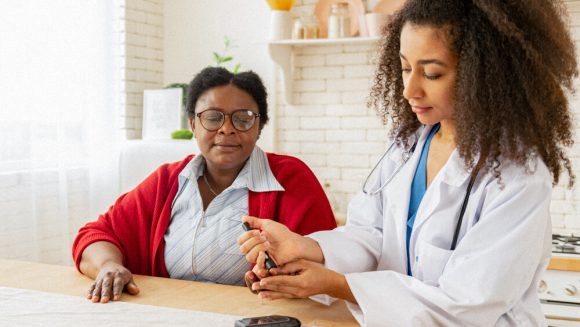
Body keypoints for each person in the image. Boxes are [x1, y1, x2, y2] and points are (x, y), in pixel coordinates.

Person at [238, 0, 577, 325]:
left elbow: (467, 305)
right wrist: (305, 247)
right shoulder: (407, 146)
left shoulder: (519, 175)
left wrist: (335, 284)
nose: (409, 90)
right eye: (405, 68)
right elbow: (370, 235)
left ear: (484, 75)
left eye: (431, 74)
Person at [72, 67, 337, 303]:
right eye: (213, 118)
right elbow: (95, 235)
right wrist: (108, 265)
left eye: (243, 118)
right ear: (192, 125)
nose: (227, 129)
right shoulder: (167, 181)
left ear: (260, 126)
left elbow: (329, 266)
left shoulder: (291, 178)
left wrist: (278, 274)